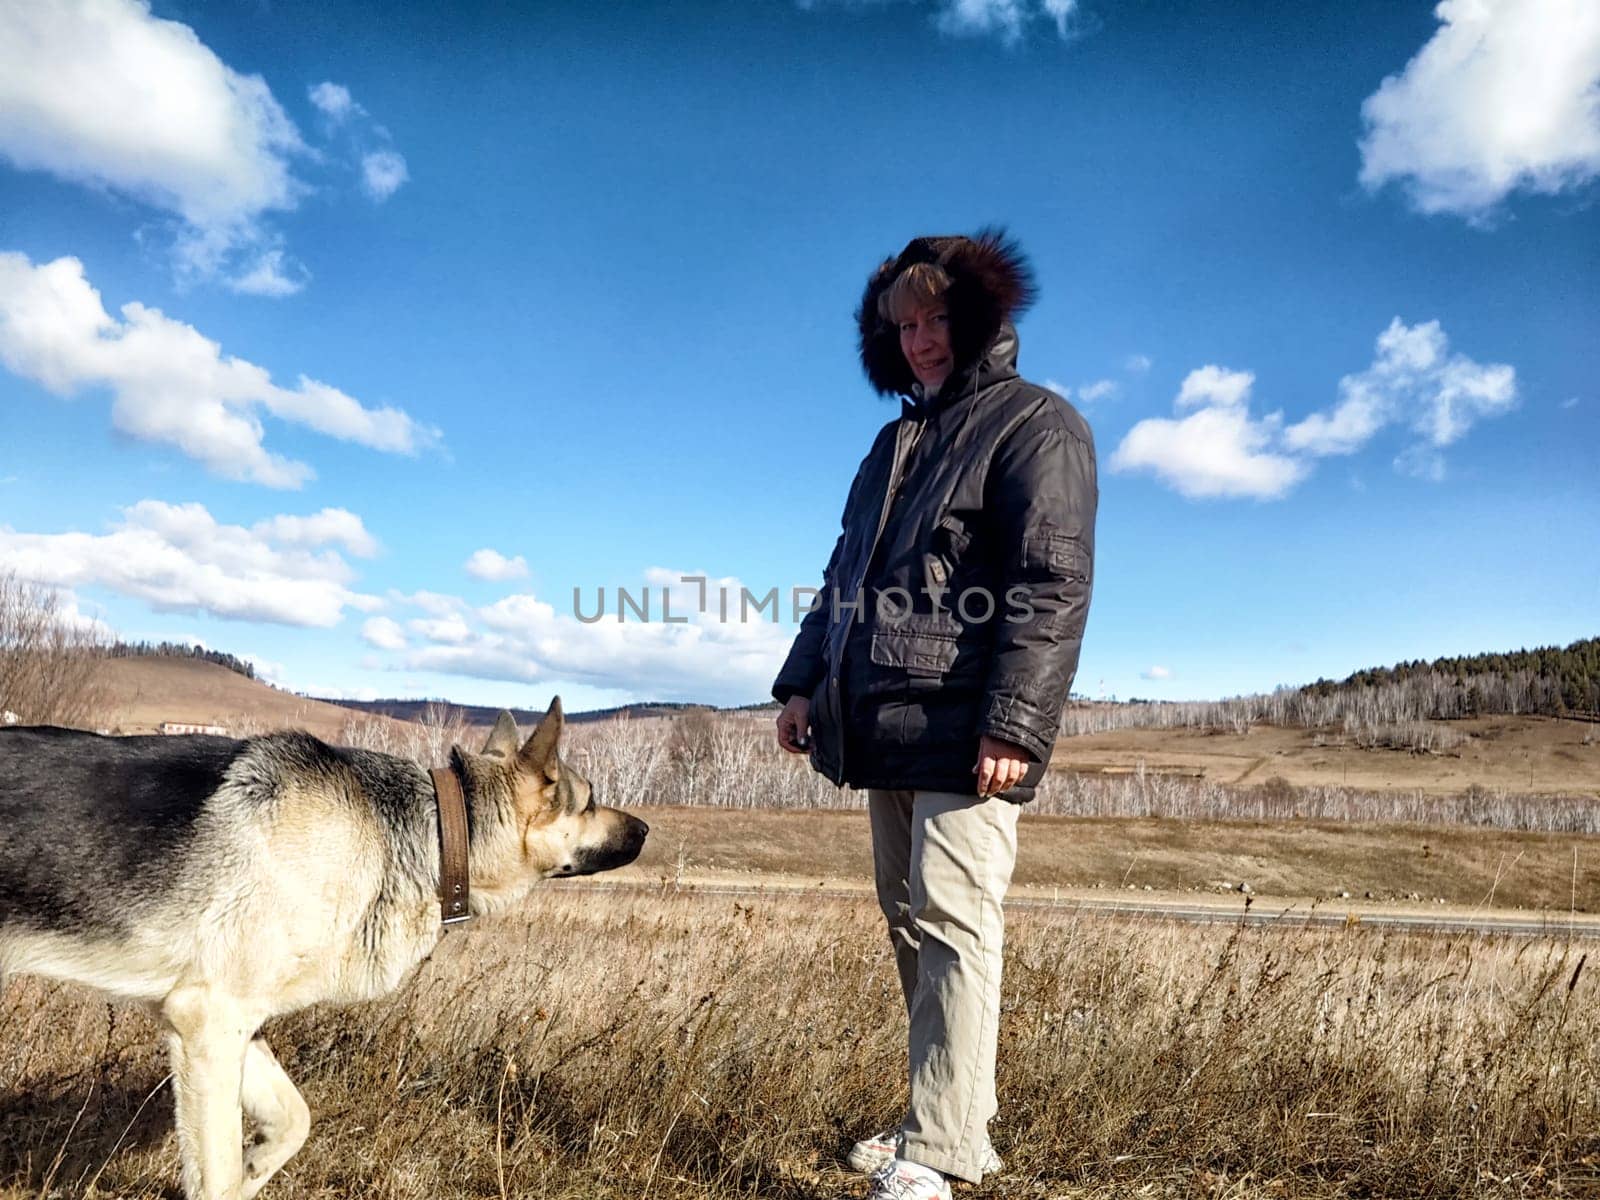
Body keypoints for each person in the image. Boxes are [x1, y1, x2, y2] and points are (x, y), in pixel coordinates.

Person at [772, 231, 1097, 1200]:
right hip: (884, 721)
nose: (918, 340)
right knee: (911, 922)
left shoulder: (1037, 425)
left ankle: (943, 1153)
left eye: (935, 318)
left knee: (956, 921)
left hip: (967, 726)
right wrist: (801, 683)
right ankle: (944, 1118)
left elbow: (1048, 584)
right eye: (902, 325)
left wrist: (1015, 723)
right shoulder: (892, 443)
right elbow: (845, 576)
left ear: (980, 315)